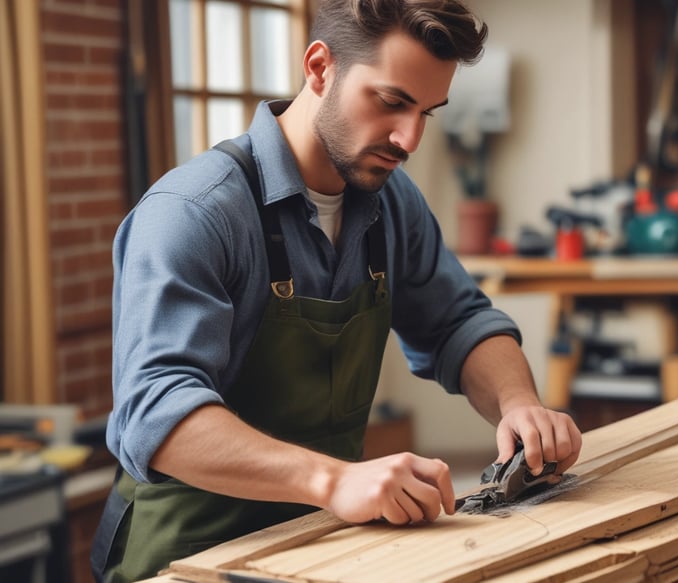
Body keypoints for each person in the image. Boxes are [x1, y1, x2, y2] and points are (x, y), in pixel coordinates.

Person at [91, 1, 582, 581]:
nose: (409, 139)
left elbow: (458, 322)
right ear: (320, 68)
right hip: (184, 558)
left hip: (318, 545)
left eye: (426, 112)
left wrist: (519, 404)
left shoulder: (392, 202)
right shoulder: (193, 214)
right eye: (392, 102)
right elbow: (156, 414)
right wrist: (333, 480)